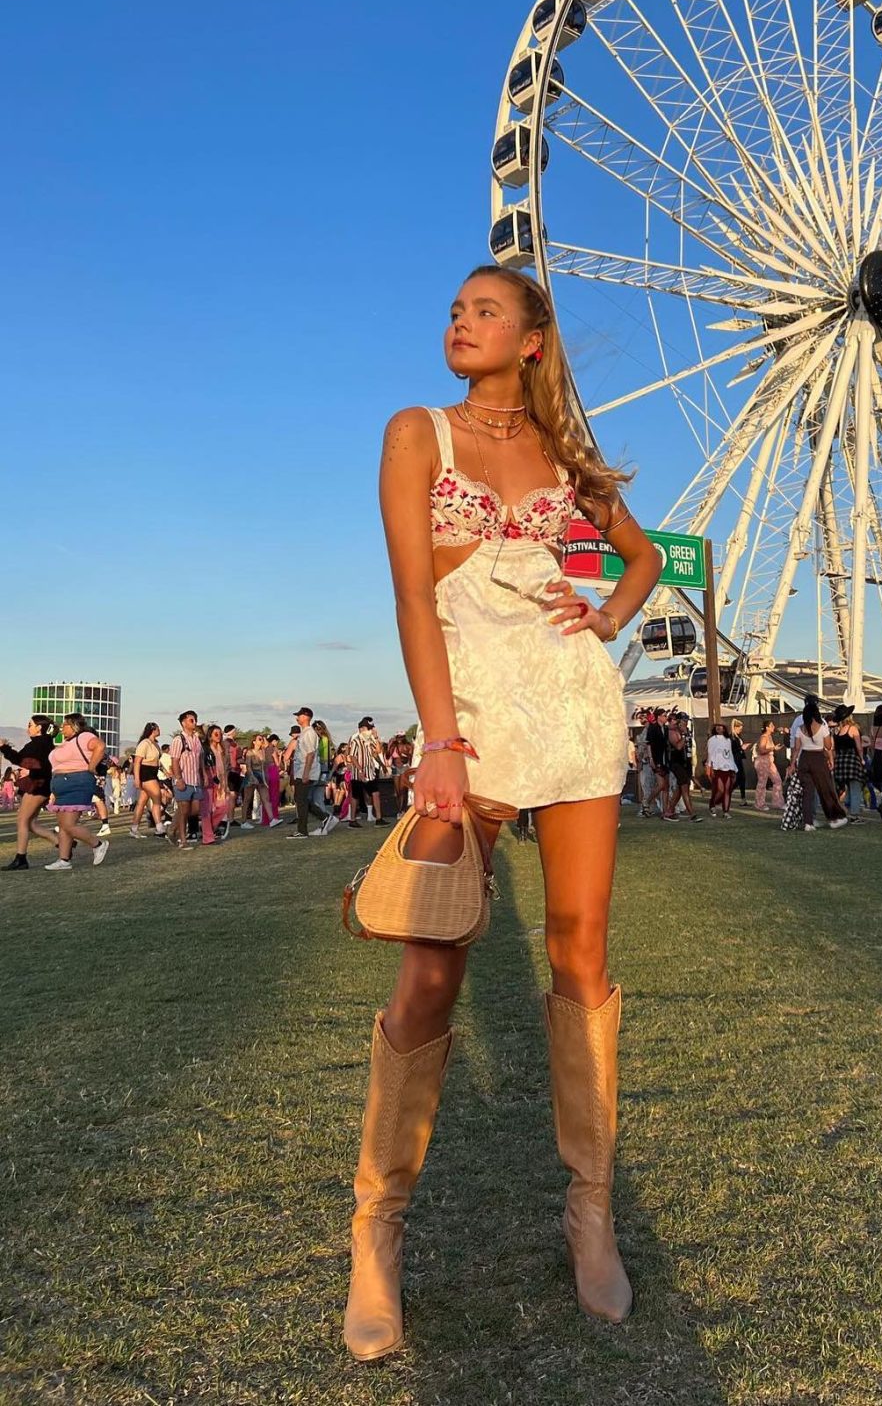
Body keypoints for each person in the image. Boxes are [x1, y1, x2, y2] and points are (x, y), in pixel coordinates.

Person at [342, 261, 660, 1361]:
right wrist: (435, 738)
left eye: (484, 311)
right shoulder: (415, 430)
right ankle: (377, 1231)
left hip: (573, 712)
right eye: (453, 310)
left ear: (532, 338)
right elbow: (409, 592)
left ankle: (590, 1211)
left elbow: (646, 553)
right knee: (432, 962)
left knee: (581, 951)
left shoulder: (569, 456)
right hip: (468, 716)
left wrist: (609, 614)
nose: (458, 322)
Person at [45, 713, 109, 870]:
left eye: (64, 725)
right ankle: (64, 859)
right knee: (63, 825)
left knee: (68, 825)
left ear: (73, 725)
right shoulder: (67, 742)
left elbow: (100, 746)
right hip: (62, 784)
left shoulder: (84, 737)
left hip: (76, 782)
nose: (61, 728)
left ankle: (98, 844)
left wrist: (91, 767)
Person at [0, 715, 57, 870]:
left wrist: (30, 775)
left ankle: (21, 858)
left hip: (37, 787)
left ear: (39, 728)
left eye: (30, 724)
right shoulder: (38, 744)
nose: (28, 727)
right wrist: (4, 747)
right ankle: (62, 843)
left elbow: (44, 769)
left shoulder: (41, 745)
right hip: (38, 786)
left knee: (22, 821)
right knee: (30, 823)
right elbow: (19, 759)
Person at [782, 700, 848, 833]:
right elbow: (828, 746)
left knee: (808, 793)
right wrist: (830, 759)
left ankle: (808, 823)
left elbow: (796, 749)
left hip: (804, 759)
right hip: (818, 759)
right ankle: (834, 818)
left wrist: (792, 764)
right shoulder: (822, 727)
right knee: (826, 790)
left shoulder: (800, 729)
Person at [169, 711, 204, 851]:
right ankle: (183, 840)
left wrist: (203, 775)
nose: (194, 722)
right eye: (191, 720)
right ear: (183, 722)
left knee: (194, 810)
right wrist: (178, 778)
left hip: (195, 780)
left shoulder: (196, 739)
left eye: (195, 720)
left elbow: (200, 757)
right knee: (184, 810)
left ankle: (172, 827)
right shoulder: (179, 740)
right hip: (184, 779)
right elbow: (174, 761)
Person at [287, 708, 325, 839]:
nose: (297, 718)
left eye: (299, 715)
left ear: (305, 717)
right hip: (301, 771)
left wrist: (306, 773)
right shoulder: (304, 733)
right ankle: (325, 818)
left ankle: (302, 830)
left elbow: (310, 754)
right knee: (301, 799)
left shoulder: (309, 733)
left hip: (305, 771)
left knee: (301, 800)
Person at [130, 722, 168, 838]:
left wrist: (165, 770)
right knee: (157, 799)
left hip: (153, 771)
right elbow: (137, 762)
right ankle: (159, 827)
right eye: (157, 728)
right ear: (153, 730)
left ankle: (134, 828)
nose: (159, 730)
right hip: (146, 773)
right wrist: (137, 778)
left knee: (142, 802)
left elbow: (158, 761)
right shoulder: (144, 743)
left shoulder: (155, 744)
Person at [348, 717, 386, 829]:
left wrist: (376, 737)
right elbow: (352, 756)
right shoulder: (356, 741)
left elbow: (378, 751)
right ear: (362, 729)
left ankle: (379, 818)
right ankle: (352, 819)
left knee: (375, 793)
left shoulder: (370, 740)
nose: (370, 731)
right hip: (358, 773)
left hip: (370, 772)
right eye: (368, 729)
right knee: (356, 796)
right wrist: (359, 770)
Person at [664, 712, 701, 821]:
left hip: (686, 762)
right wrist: (684, 735)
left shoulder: (686, 731)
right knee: (684, 787)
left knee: (680, 789)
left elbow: (689, 748)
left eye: (686, 721)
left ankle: (669, 811)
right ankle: (691, 814)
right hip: (677, 763)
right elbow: (679, 746)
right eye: (683, 721)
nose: (685, 723)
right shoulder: (672, 732)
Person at [830, 705, 865, 816]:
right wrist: (862, 759)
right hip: (852, 759)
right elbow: (859, 747)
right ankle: (854, 815)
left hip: (840, 760)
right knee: (855, 787)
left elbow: (833, 748)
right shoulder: (853, 729)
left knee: (846, 788)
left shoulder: (836, 731)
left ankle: (845, 809)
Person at [704, 722, 737, 818]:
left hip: (727, 767)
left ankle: (726, 811)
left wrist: (733, 767)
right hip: (717, 767)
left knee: (727, 790)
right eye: (717, 727)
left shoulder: (728, 740)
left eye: (721, 726)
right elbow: (710, 753)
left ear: (724, 729)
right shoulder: (712, 740)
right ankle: (712, 804)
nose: (719, 728)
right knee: (720, 789)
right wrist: (709, 766)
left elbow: (729, 754)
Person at [753, 720, 784, 812]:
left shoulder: (769, 736)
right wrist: (773, 748)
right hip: (763, 762)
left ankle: (777, 803)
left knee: (777, 780)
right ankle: (759, 804)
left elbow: (768, 749)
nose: (773, 727)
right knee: (762, 783)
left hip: (770, 762)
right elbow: (761, 750)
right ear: (767, 728)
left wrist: (774, 749)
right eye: (771, 725)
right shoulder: (764, 737)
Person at [729, 718, 747, 806]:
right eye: (740, 728)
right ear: (735, 728)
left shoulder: (737, 737)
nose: (741, 730)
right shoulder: (732, 737)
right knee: (739, 778)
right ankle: (728, 793)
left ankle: (743, 798)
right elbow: (732, 749)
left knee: (741, 778)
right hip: (735, 759)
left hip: (738, 758)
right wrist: (741, 748)